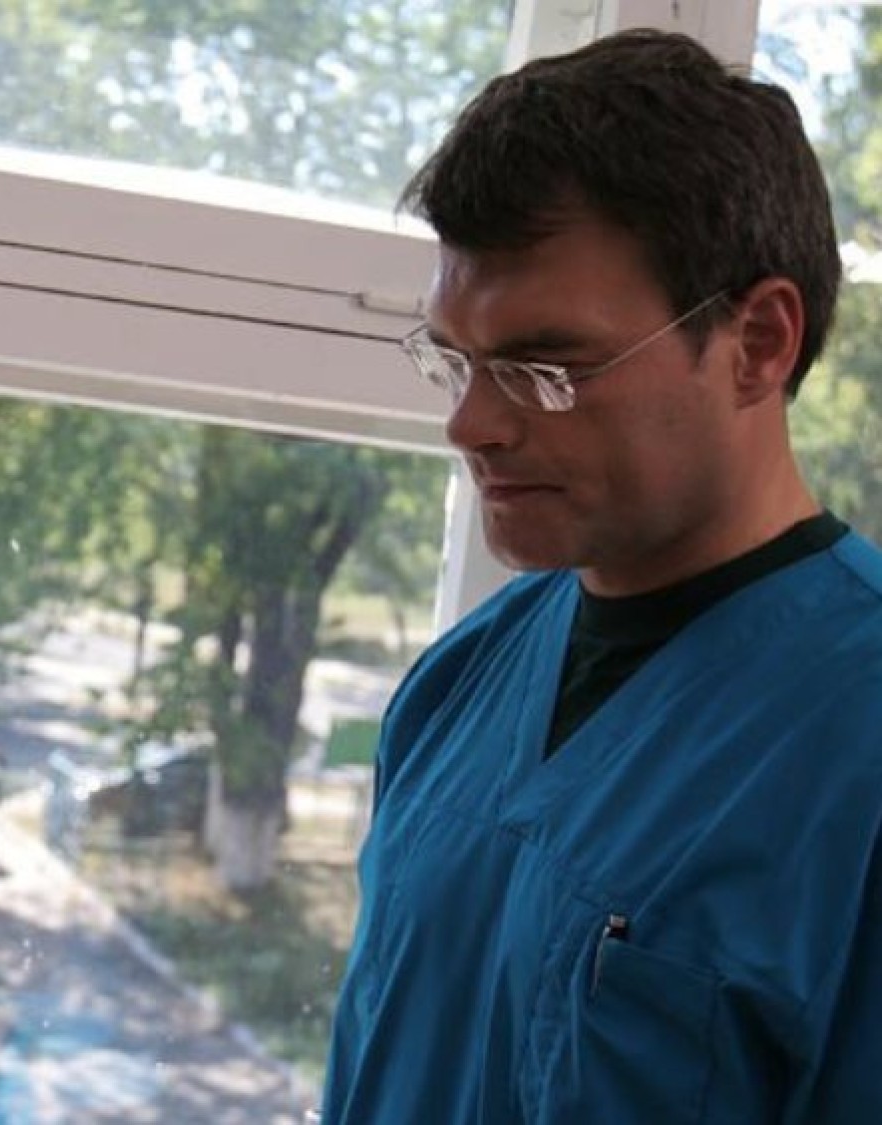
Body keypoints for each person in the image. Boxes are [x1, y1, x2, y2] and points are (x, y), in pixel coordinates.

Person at [323, 29, 882, 1123]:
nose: (471, 423)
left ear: (758, 343)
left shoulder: (855, 743)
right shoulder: (458, 685)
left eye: (544, 366)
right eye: (456, 359)